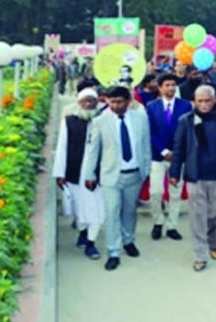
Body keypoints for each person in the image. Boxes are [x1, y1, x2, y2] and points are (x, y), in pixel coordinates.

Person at [169, 86, 216, 272]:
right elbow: (179, 148)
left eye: (207, 100)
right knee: (198, 217)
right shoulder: (186, 121)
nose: (204, 104)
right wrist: (174, 172)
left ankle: (214, 243)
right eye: (200, 101)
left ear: (215, 101)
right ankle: (201, 253)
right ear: (194, 102)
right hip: (196, 176)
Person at [83, 86, 152, 271]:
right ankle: (113, 251)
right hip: (111, 176)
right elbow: (93, 150)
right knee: (112, 212)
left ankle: (128, 241)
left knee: (129, 211)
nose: (115, 105)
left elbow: (146, 145)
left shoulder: (141, 119)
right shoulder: (100, 121)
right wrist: (89, 174)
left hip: (135, 174)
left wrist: (146, 169)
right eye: (111, 102)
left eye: (119, 101)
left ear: (128, 101)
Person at [54, 88, 106, 260]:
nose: (89, 104)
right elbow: (62, 147)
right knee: (79, 209)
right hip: (75, 172)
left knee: (98, 209)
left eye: (92, 100)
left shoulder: (104, 120)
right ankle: (83, 232)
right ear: (79, 103)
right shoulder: (69, 121)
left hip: (98, 174)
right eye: (85, 101)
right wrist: (59, 173)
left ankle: (91, 243)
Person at [145, 74, 191, 241]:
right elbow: (149, 132)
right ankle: (158, 222)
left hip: (178, 157)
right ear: (160, 87)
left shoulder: (185, 106)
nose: (171, 88)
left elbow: (187, 131)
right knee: (155, 192)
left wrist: (177, 153)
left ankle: (172, 226)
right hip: (157, 156)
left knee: (175, 193)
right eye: (167, 85)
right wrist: (164, 151)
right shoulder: (151, 106)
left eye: (173, 85)